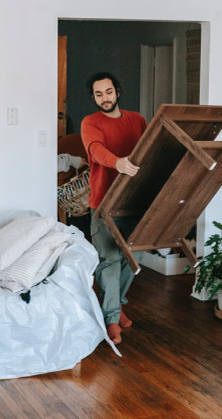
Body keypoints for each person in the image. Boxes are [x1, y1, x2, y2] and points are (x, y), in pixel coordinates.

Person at [80, 72, 147, 345]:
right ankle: (111, 319)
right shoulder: (90, 122)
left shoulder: (138, 120)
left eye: (108, 92)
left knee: (133, 260)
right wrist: (117, 162)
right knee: (109, 261)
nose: (104, 98)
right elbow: (95, 150)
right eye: (98, 94)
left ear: (117, 92)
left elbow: (150, 150)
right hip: (103, 204)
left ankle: (115, 306)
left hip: (135, 202)